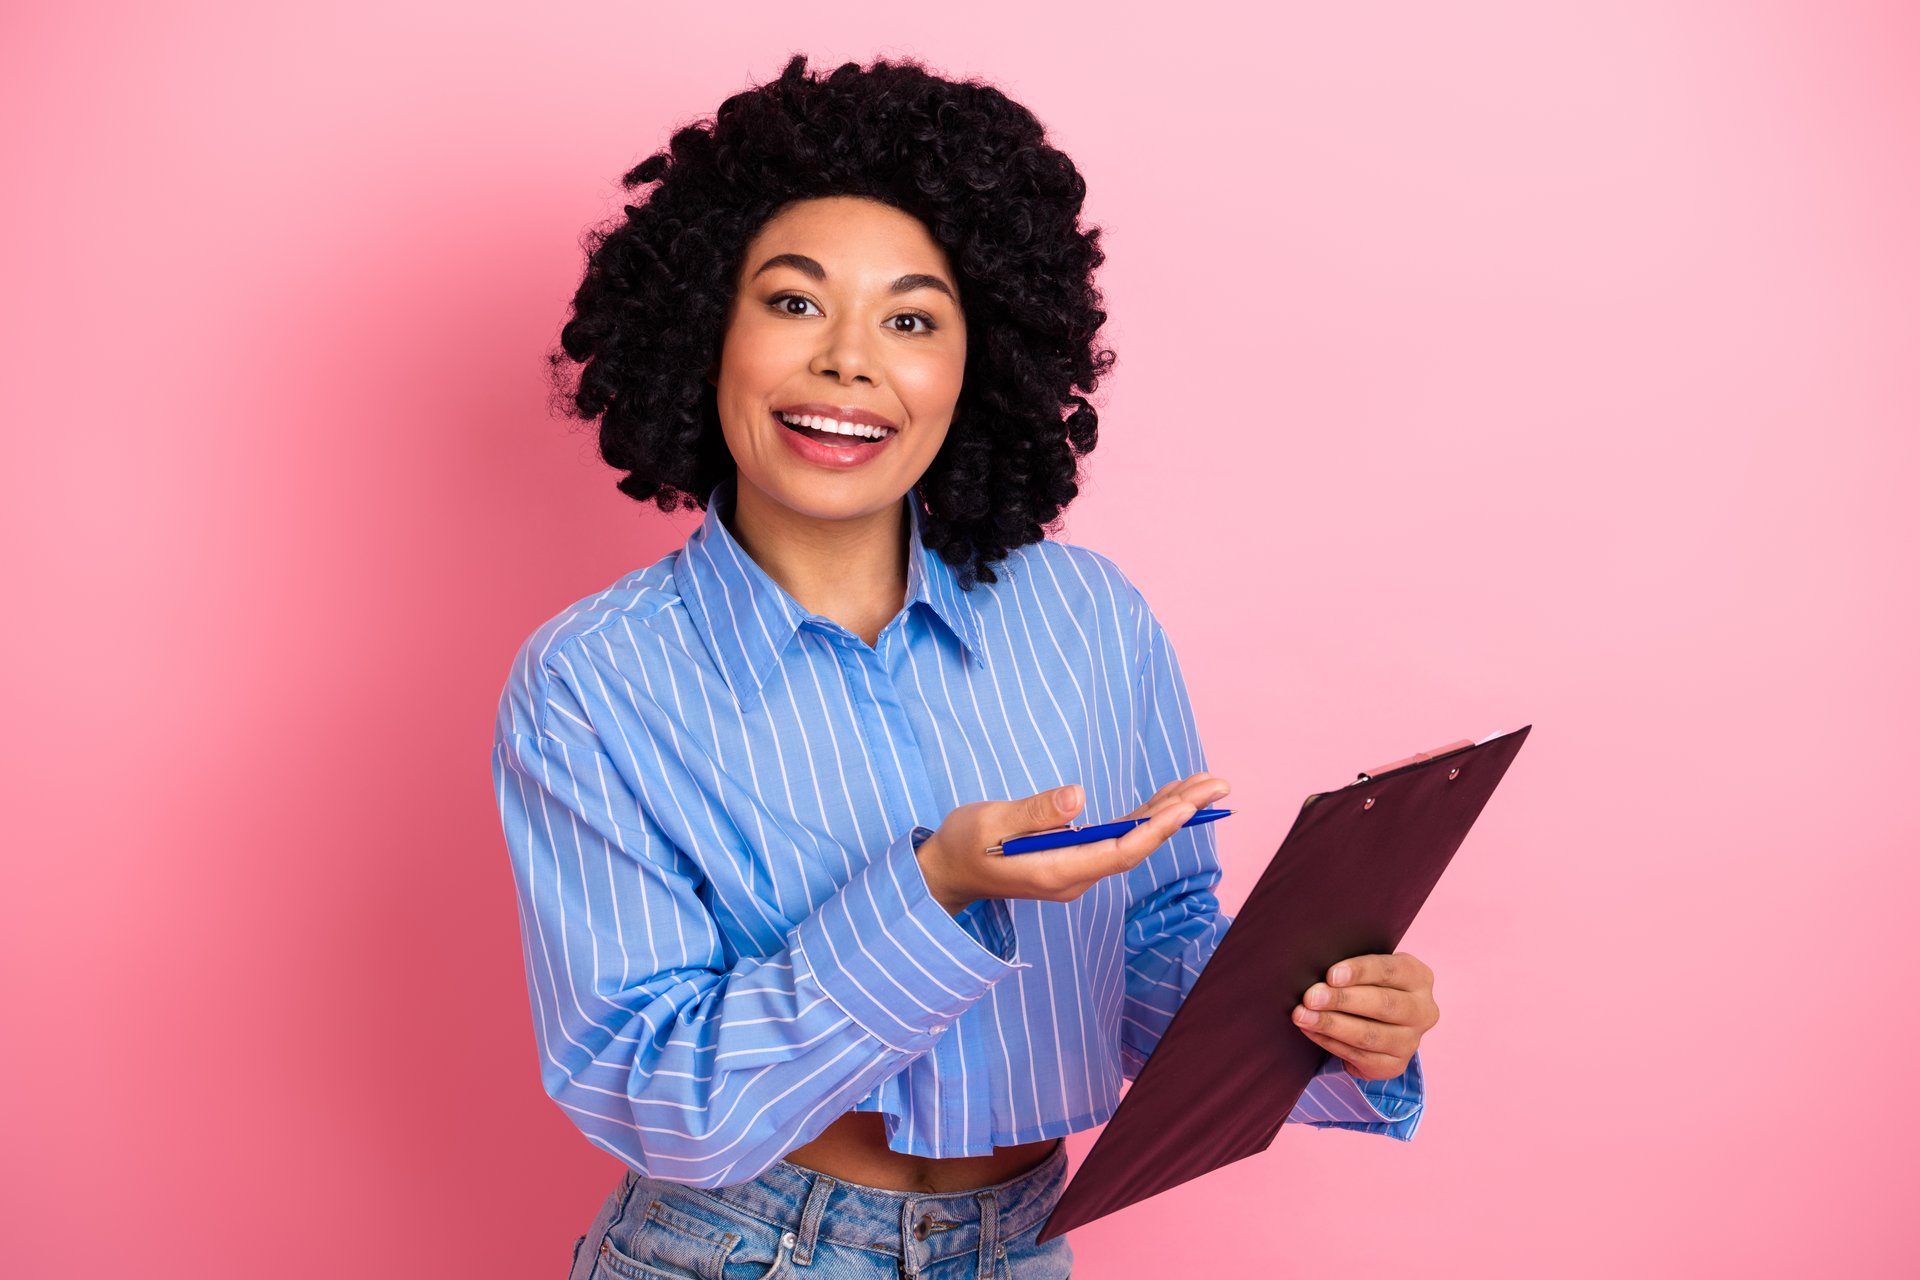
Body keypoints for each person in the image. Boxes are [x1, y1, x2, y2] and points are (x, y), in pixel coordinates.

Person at [493, 52, 1441, 1280]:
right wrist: (932, 886)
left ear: (978, 365)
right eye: (793, 302)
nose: (848, 360)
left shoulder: (1088, 618)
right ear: (703, 330)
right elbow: (664, 1095)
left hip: (1020, 1243)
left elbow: (1153, 949)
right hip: (736, 1249)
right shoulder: (593, 681)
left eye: (910, 318)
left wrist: (1333, 1022)